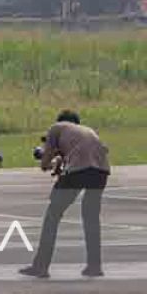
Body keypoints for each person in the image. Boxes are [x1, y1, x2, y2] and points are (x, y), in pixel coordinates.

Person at [19, 110, 110, 279]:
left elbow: (44, 165)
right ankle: (94, 266)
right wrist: (61, 161)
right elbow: (101, 150)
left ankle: (41, 266)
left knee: (52, 216)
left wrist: (49, 157)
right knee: (91, 218)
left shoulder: (56, 128)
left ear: (61, 122)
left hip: (79, 170)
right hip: (101, 171)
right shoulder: (87, 131)